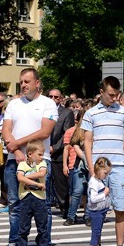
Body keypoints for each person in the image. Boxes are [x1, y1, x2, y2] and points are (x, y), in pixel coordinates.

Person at [0, 68, 57, 246]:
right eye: (21, 82)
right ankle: (15, 242)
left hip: (40, 161)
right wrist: (15, 150)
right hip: (14, 160)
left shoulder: (48, 104)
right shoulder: (14, 104)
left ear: (37, 83)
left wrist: (19, 143)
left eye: (27, 81)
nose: (23, 85)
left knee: (43, 205)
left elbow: (45, 132)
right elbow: (6, 130)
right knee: (15, 204)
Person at [82, 76, 124, 246]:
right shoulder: (91, 113)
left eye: (117, 95)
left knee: (121, 209)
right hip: (98, 167)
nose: (114, 98)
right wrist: (91, 169)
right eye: (111, 95)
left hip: (119, 166)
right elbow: (87, 141)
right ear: (101, 92)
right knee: (97, 210)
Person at [12, 139, 50, 246]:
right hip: (26, 198)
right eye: (39, 154)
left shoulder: (42, 163)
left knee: (42, 229)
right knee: (23, 229)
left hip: (39, 199)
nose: (41, 157)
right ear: (30, 154)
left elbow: (41, 172)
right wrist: (38, 184)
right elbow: (19, 177)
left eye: (42, 154)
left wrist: (25, 178)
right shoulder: (22, 165)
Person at [48, 89, 75, 220]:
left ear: (61, 99)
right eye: (50, 96)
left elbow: (67, 134)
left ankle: (66, 209)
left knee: (61, 186)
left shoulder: (66, 113)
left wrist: (54, 147)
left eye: (56, 97)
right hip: (43, 152)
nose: (53, 99)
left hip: (58, 154)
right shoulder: (44, 111)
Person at [87, 157, 112, 246]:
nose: (106, 175)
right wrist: (104, 194)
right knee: (96, 233)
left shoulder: (98, 181)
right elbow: (93, 199)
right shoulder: (94, 182)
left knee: (97, 233)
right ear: (98, 169)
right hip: (96, 212)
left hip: (100, 211)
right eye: (105, 173)